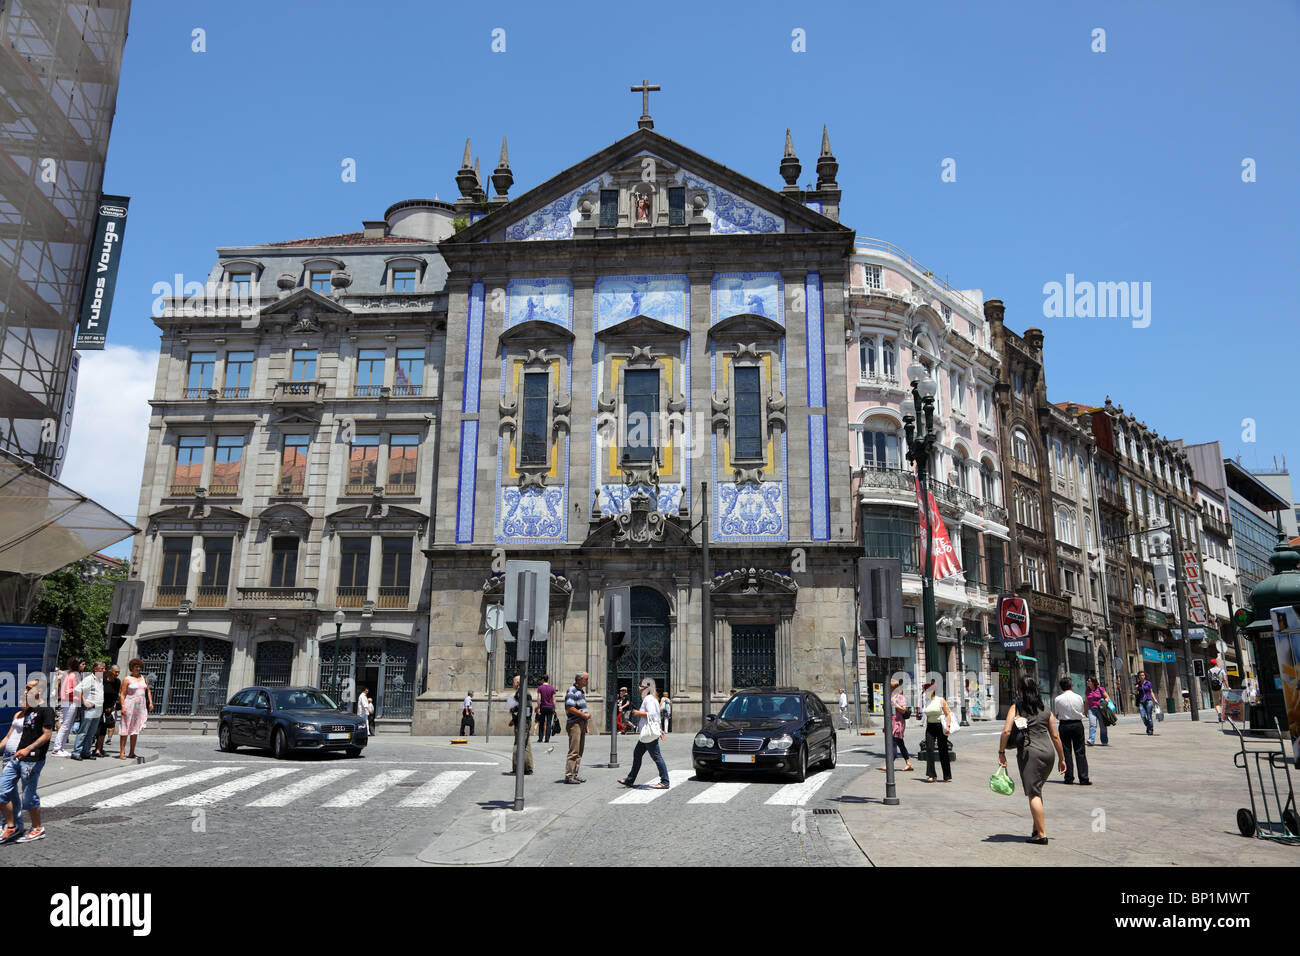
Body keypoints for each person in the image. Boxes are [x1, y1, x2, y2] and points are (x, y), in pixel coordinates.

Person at [999, 676, 1066, 845]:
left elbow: (1006, 731)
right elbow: (1055, 736)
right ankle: (1037, 828)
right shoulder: (1045, 709)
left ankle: (1041, 834)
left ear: (1021, 690)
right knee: (1037, 789)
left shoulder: (1017, 707)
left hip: (1031, 754)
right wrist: (1062, 758)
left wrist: (1001, 752)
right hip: (1048, 753)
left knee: (1033, 793)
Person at [0, 677, 55, 843]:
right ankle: (12, 827)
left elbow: (47, 734)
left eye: (29, 688)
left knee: (28, 797)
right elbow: (14, 734)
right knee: (1, 792)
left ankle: (38, 828)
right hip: (17, 758)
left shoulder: (46, 710)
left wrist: (27, 749)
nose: (25, 691)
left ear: (39, 691)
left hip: (33, 759)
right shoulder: (29, 710)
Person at [618, 678, 670, 789]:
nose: (639, 689)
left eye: (641, 687)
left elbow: (651, 714)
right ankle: (630, 780)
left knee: (656, 756)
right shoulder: (653, 699)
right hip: (646, 734)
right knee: (637, 754)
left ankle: (665, 781)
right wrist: (660, 730)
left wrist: (637, 713)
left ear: (647, 688)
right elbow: (657, 717)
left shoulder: (649, 699)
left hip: (648, 733)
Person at [1053, 676, 1090, 784]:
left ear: (1061, 687)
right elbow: (1081, 710)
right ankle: (1084, 778)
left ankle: (1068, 777)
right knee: (1080, 751)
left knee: (1066, 751)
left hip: (1064, 725)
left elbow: (1057, 713)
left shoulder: (1057, 699)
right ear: (1071, 686)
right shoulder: (1078, 697)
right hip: (1077, 724)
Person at [0, 698, 29, 833]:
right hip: (7, 756)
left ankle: (9, 824)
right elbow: (8, 736)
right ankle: (15, 824)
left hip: (19, 757)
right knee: (10, 793)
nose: (21, 701)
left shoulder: (34, 716)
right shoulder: (17, 715)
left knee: (4, 791)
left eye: (24, 699)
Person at [117, 658, 152, 759]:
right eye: (136, 667)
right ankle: (122, 752)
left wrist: (150, 702)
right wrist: (122, 706)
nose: (138, 668)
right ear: (132, 668)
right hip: (129, 704)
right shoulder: (127, 679)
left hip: (140, 706)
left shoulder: (143, 678)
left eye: (139, 667)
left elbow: (148, 690)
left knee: (135, 729)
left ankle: (132, 752)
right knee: (125, 728)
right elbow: (122, 694)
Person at [878, 678, 915, 773]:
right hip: (891, 723)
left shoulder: (900, 697)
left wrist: (895, 704)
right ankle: (908, 763)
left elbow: (903, 710)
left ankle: (889, 764)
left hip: (898, 724)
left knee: (893, 744)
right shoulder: (889, 696)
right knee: (900, 744)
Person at [71, 662, 106, 761]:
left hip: (98, 709)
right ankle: (76, 752)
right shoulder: (89, 679)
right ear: (95, 669)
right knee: (83, 731)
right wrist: (84, 702)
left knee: (91, 732)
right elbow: (78, 690)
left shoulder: (100, 680)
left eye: (104, 669)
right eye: (102, 669)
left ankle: (86, 752)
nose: (104, 671)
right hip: (90, 709)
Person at [50, 658, 83, 757]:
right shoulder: (74, 675)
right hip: (70, 701)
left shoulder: (70, 674)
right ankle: (56, 749)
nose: (84, 666)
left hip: (70, 701)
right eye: (82, 664)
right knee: (66, 725)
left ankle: (61, 747)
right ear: (77, 665)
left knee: (67, 725)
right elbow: (69, 690)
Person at [921, 682, 953, 782]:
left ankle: (946, 775)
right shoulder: (926, 701)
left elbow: (948, 714)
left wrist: (948, 726)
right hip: (930, 727)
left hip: (940, 726)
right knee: (929, 749)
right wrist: (926, 724)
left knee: (942, 750)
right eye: (924, 691)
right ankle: (932, 775)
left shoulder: (940, 700)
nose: (925, 693)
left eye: (926, 690)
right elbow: (927, 715)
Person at [564, 672, 592, 784]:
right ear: (579, 679)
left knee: (580, 750)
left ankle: (575, 774)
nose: (587, 681)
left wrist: (585, 724)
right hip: (574, 723)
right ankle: (569, 775)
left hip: (581, 723)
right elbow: (569, 707)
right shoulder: (572, 690)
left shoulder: (580, 691)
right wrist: (583, 715)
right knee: (574, 750)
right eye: (586, 679)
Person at [504, 675, 533, 775]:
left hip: (521, 722)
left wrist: (514, 718)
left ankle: (517, 768)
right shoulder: (525, 692)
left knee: (518, 744)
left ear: (517, 683)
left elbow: (522, 708)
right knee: (526, 744)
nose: (512, 684)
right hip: (526, 721)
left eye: (513, 682)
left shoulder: (520, 692)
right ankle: (528, 768)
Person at [95, 665, 122, 757]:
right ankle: (89, 748)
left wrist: (111, 707)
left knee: (103, 728)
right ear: (110, 671)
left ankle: (99, 749)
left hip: (108, 709)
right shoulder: (102, 680)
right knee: (96, 728)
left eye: (118, 672)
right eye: (116, 672)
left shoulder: (117, 682)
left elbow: (115, 695)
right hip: (98, 706)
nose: (117, 674)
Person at [1085, 674, 1111, 747]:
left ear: (1093, 682)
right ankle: (1091, 740)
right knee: (1092, 725)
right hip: (1091, 709)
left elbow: (1107, 697)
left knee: (1102, 726)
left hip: (1100, 709)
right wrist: (1085, 711)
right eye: (1087, 680)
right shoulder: (1087, 690)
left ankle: (1104, 741)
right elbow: (1086, 701)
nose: (1087, 682)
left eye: (1089, 681)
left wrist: (1103, 703)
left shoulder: (1100, 689)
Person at [536, 675, 556, 743]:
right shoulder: (552, 688)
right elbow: (554, 699)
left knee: (541, 723)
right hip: (550, 707)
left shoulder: (540, 688)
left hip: (543, 707)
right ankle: (547, 738)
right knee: (549, 723)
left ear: (542, 680)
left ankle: (540, 738)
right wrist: (554, 708)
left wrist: (538, 707)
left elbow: (539, 698)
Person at [1135, 670, 1156, 735]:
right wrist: (1136, 689)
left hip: (1148, 701)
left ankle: (1150, 730)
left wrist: (1155, 699)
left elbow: (1151, 691)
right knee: (1143, 716)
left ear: (1145, 676)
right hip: (1141, 701)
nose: (1142, 676)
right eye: (1140, 675)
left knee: (1149, 716)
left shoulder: (1148, 683)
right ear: (1138, 676)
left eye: (1143, 675)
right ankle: (1148, 726)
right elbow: (1137, 693)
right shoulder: (1138, 684)